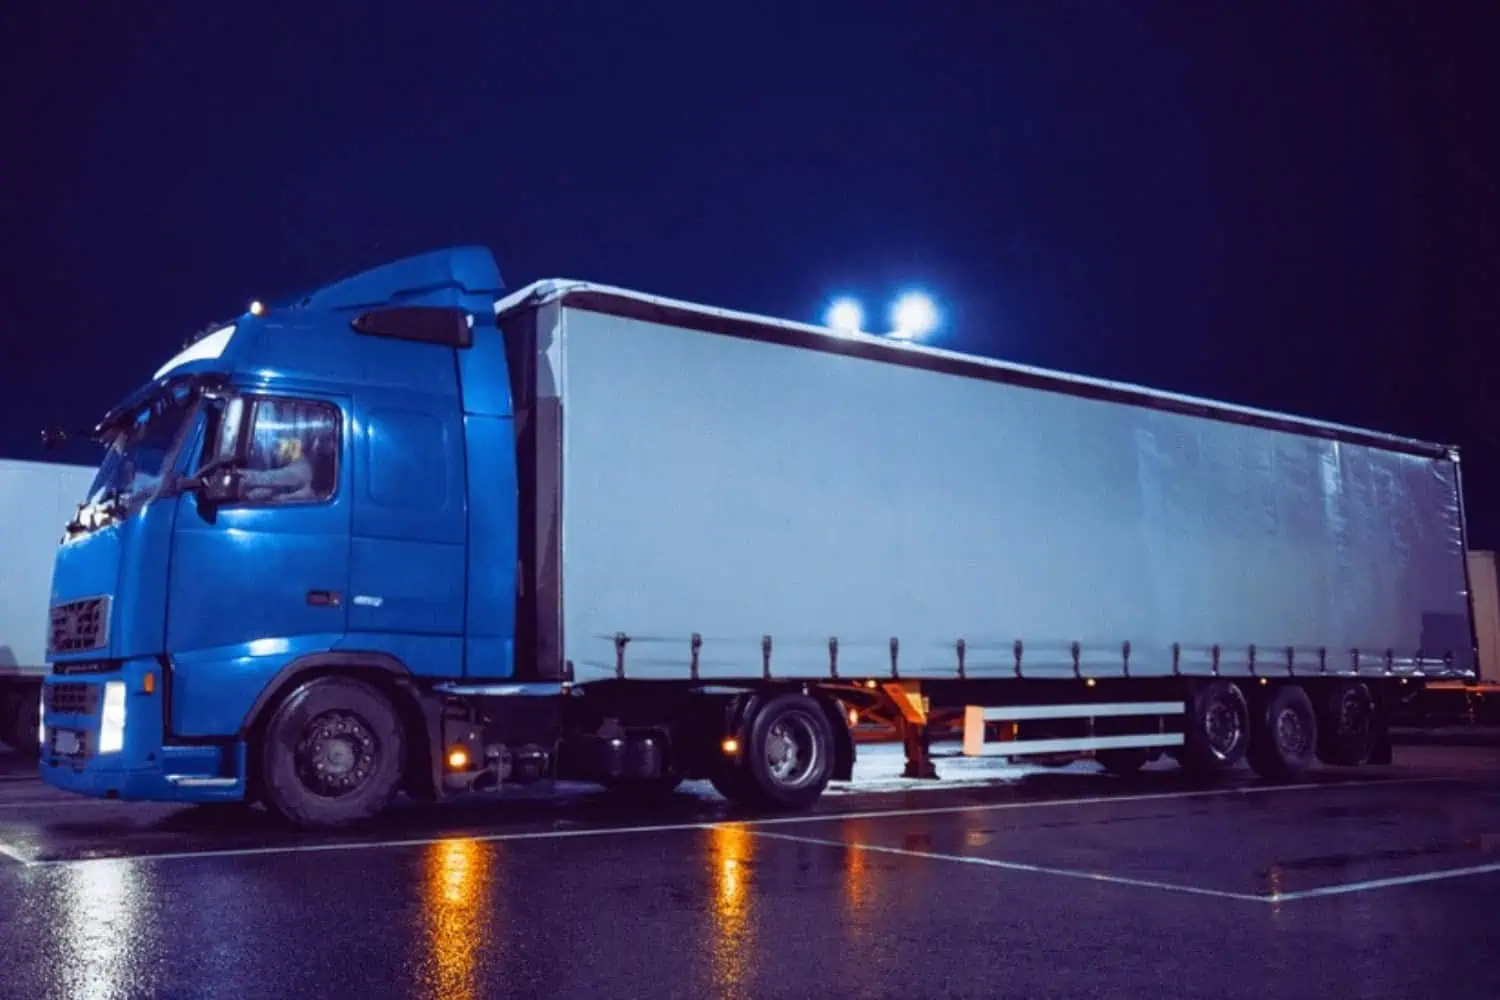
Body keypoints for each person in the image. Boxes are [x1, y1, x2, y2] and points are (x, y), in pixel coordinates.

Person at [241, 434, 316, 502]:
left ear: (289, 450)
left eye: (278, 448)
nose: (275, 453)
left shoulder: (297, 471)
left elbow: (266, 478)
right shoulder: (299, 464)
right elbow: (273, 489)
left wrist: (236, 474)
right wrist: (249, 496)